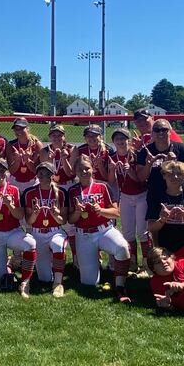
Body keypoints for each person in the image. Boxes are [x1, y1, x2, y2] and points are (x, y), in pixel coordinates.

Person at [67, 154, 131, 302]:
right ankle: (98, 268)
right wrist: (77, 211)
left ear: (93, 169)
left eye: (87, 168)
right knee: (89, 282)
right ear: (76, 171)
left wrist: (101, 210)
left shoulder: (103, 186)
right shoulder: (72, 191)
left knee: (122, 247)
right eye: (80, 169)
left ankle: (120, 286)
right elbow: (70, 220)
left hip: (104, 230)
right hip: (84, 235)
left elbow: (116, 212)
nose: (84, 172)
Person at [0, 158, 37, 298]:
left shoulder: (15, 190)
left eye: (2, 170)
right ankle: (10, 265)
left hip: (13, 231)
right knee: (0, 276)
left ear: (7, 173)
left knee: (30, 243)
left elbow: (19, 215)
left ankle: (25, 281)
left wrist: (10, 205)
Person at [107, 128, 150, 274]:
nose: (120, 141)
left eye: (123, 138)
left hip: (141, 195)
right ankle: (132, 262)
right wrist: (112, 169)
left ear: (129, 140)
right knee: (128, 232)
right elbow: (111, 180)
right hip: (124, 196)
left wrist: (129, 170)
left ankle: (146, 264)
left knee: (143, 232)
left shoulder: (136, 155)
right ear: (113, 141)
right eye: (117, 139)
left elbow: (140, 180)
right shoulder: (112, 156)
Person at [22, 162, 68, 297]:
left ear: (53, 176)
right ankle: (48, 271)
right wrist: (35, 213)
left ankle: (58, 283)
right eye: (40, 173)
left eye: (47, 174)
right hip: (37, 232)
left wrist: (56, 214)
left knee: (58, 244)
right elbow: (29, 221)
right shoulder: (29, 192)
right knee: (44, 278)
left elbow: (63, 221)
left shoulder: (61, 192)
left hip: (55, 231)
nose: (43, 176)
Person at [39, 124, 77, 266]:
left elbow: (70, 173)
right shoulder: (44, 151)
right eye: (53, 135)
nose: (56, 137)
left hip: (68, 185)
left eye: (59, 134)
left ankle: (75, 257)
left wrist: (64, 158)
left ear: (64, 136)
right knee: (52, 218)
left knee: (70, 224)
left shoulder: (72, 149)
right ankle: (52, 256)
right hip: (52, 187)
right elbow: (45, 173)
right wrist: (49, 161)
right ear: (49, 137)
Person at [136, 119, 184, 216]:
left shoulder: (181, 149)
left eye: (164, 129)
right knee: (155, 226)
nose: (160, 132)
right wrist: (148, 164)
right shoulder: (146, 151)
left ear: (170, 132)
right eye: (157, 130)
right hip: (155, 193)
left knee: (179, 224)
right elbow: (141, 178)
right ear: (152, 133)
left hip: (178, 194)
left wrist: (173, 163)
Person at [6, 118, 43, 192]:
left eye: (21, 128)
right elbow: (11, 171)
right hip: (14, 182)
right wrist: (17, 161)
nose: (19, 131)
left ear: (28, 128)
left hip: (32, 182)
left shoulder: (37, 145)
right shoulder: (11, 145)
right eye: (16, 129)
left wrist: (27, 161)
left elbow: (37, 171)